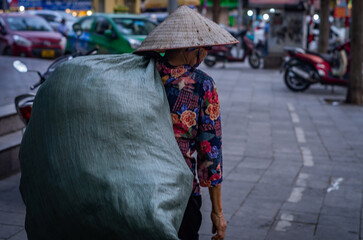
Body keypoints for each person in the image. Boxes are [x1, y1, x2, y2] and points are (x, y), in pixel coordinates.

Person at [134, 5, 238, 240]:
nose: (206, 55)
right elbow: (210, 150)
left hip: (137, 185)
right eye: (206, 49)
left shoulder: (141, 71)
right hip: (179, 190)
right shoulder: (202, 85)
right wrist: (218, 212)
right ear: (191, 49)